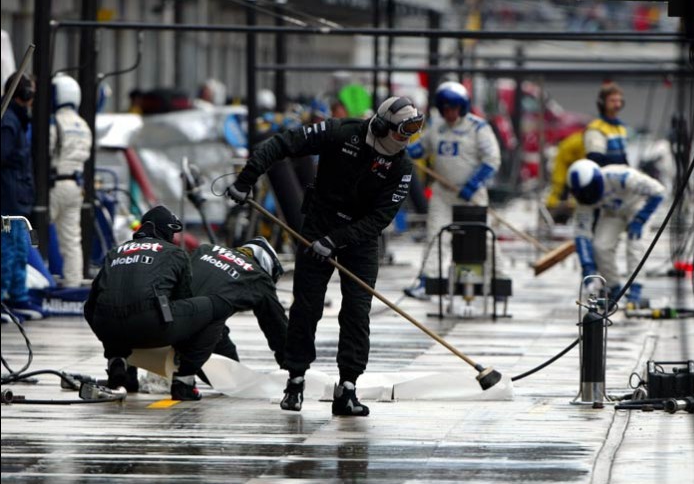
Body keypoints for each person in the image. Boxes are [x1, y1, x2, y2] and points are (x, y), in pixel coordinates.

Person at [226, 96, 421, 416]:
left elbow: (379, 219)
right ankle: (295, 381)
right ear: (384, 125)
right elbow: (282, 144)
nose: (406, 139)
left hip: (360, 239)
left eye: (411, 133)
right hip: (317, 225)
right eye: (402, 131)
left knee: (357, 312)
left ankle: (347, 388)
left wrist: (336, 240)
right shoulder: (340, 132)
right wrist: (246, 179)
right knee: (306, 306)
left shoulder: (401, 166)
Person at [84, 206, 234, 400]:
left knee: (114, 308)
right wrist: (182, 352)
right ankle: (184, 381)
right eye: (171, 232)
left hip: (108, 329)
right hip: (149, 326)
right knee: (219, 305)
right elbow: (183, 302)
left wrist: (111, 341)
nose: (172, 237)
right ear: (161, 230)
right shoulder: (175, 253)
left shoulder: (115, 252)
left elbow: (91, 305)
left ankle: (117, 363)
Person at [403, 81, 501, 300]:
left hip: (471, 195)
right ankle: (426, 281)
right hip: (443, 194)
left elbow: (492, 160)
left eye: (454, 108)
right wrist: (403, 149)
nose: (450, 112)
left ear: (462, 107)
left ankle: (498, 280)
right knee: (435, 236)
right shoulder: (436, 127)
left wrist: (472, 185)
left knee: (484, 238)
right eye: (445, 108)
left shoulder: (478, 128)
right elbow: (419, 150)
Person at [567, 159, 665, 308]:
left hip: (637, 206)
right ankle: (614, 289)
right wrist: (588, 268)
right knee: (600, 246)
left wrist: (640, 219)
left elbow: (658, 191)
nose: (588, 196)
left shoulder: (621, 176)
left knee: (635, 244)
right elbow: (582, 234)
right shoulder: (584, 199)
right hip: (612, 212)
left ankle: (635, 291)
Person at [189, 236, 288, 368]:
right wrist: (294, 369)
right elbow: (277, 328)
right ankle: (184, 381)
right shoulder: (259, 278)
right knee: (231, 377)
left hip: (161, 312)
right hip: (195, 326)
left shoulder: (205, 249)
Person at [49, 74, 93, 288]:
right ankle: (73, 282)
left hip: (54, 184)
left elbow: (44, 152)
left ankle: (39, 279)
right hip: (76, 186)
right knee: (71, 238)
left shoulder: (54, 121)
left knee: (32, 231)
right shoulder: (83, 125)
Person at [1, 72, 38, 321]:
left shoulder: (19, 120)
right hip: (8, 195)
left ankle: (17, 296)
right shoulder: (9, 121)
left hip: (18, 194)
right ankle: (4, 296)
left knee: (19, 248)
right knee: (8, 249)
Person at [545, 130, 585, 224]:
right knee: (560, 192)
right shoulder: (574, 144)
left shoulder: (580, 141)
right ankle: (555, 218)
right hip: (566, 169)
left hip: (570, 168)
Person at [584, 82, 628, 167]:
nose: (617, 105)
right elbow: (596, 160)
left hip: (620, 175)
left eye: (619, 101)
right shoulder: (596, 128)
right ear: (602, 103)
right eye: (612, 101)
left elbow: (623, 158)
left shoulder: (620, 127)